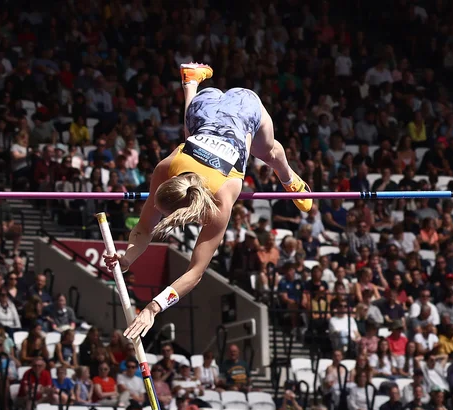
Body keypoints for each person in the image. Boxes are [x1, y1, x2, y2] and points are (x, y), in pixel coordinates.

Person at [104, 63, 312, 339]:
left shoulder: (221, 199)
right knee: (191, 135)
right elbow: (143, 228)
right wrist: (127, 257)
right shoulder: (167, 168)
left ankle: (288, 179)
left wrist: (154, 308)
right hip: (205, 108)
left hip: (242, 107)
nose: (158, 214)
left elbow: (196, 272)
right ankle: (190, 82)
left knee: (269, 151)